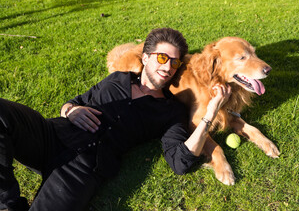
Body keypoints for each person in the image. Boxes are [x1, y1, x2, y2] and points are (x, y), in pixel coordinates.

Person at [0, 28, 231, 211]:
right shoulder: (118, 78)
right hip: (51, 134)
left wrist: (210, 113)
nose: (168, 66)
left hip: (82, 168)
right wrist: (70, 110)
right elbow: (76, 100)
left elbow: (181, 162)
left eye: (175, 62)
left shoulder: (170, 112)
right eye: (162, 57)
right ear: (145, 57)